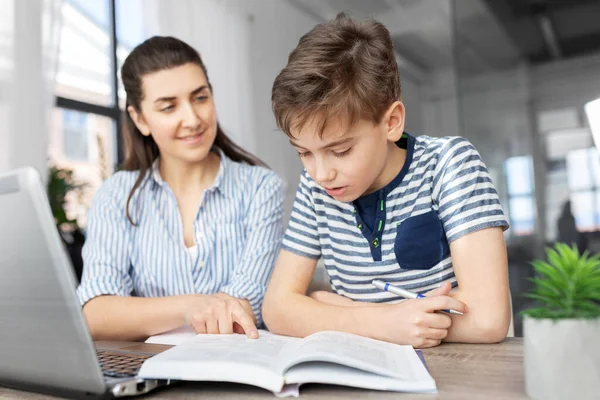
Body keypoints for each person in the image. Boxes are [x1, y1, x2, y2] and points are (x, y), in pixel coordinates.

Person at [262, 13, 511, 348]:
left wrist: (337, 312)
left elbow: (487, 318)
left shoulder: (448, 164)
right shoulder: (316, 190)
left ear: (391, 122)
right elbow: (277, 309)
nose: (321, 173)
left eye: (341, 150)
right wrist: (383, 322)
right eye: (303, 153)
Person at [77, 36, 284, 341]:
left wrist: (142, 314)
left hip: (237, 369)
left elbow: (241, 312)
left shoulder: (261, 189)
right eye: (168, 107)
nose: (192, 119)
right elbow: (95, 313)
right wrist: (191, 306)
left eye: (200, 98)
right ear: (140, 119)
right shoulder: (116, 196)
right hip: (150, 369)